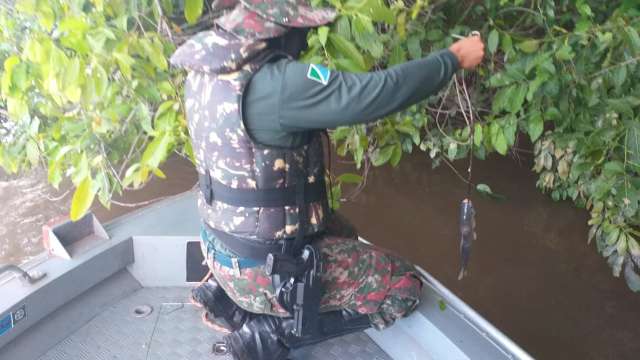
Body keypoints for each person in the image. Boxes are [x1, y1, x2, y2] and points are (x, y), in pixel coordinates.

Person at [170, 0, 485, 359]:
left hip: (220, 250)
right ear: (276, 27)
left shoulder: (206, 70)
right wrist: (453, 59)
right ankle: (269, 333)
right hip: (265, 269)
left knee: (343, 234)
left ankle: (230, 300)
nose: (303, 41)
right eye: (300, 30)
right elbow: (376, 93)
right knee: (403, 285)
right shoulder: (280, 84)